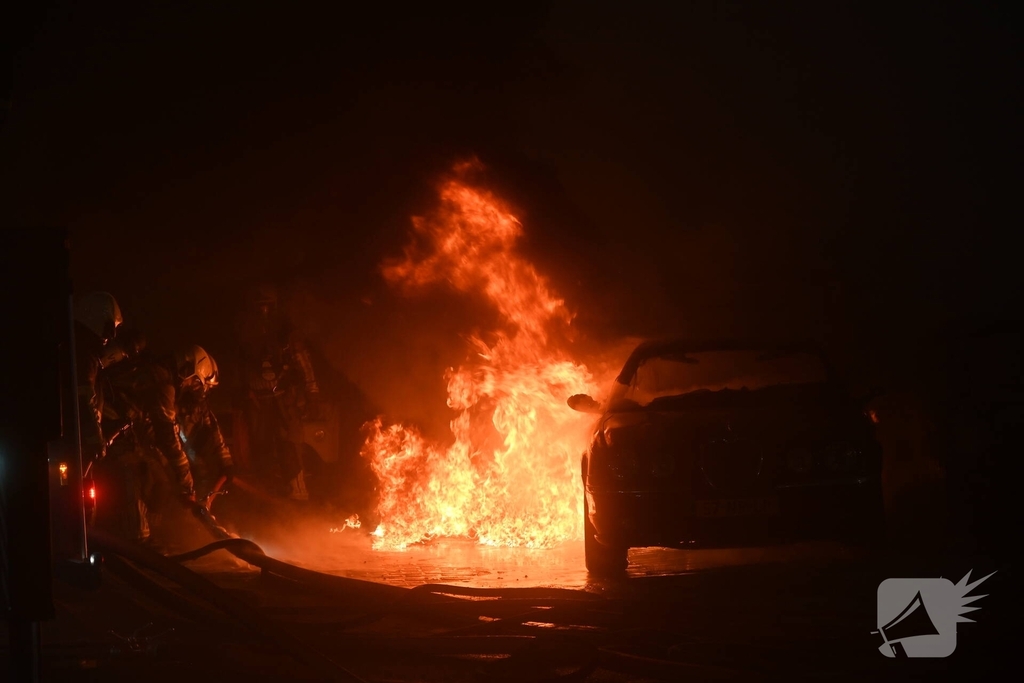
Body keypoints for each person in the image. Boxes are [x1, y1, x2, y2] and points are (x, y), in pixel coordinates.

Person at [93, 324, 195, 546]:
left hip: (112, 432)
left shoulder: (148, 373)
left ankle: (142, 538)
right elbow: (167, 435)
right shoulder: (163, 383)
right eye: (194, 384)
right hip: (114, 436)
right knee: (135, 477)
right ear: (188, 372)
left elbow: (149, 428)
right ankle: (138, 548)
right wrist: (186, 481)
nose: (191, 389)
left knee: (154, 476)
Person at [236, 282, 321, 501]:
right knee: (260, 450)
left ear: (274, 306)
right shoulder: (244, 332)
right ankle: (268, 500)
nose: (263, 310)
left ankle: (299, 496)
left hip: (284, 399)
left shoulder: (285, 332)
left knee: (290, 446)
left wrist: (312, 393)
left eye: (267, 305)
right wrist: (245, 393)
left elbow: (303, 362)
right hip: (257, 402)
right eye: (259, 306)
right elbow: (238, 366)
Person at [173, 345, 234, 510]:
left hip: (184, 462)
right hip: (165, 464)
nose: (203, 391)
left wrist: (226, 463)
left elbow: (213, 432)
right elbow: (168, 442)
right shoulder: (169, 399)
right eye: (201, 384)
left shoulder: (199, 405)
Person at [72, 291, 124, 467]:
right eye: (110, 326)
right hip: (74, 446)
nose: (112, 335)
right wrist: (97, 441)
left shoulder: (83, 352)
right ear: (95, 319)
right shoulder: (84, 356)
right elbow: (84, 400)